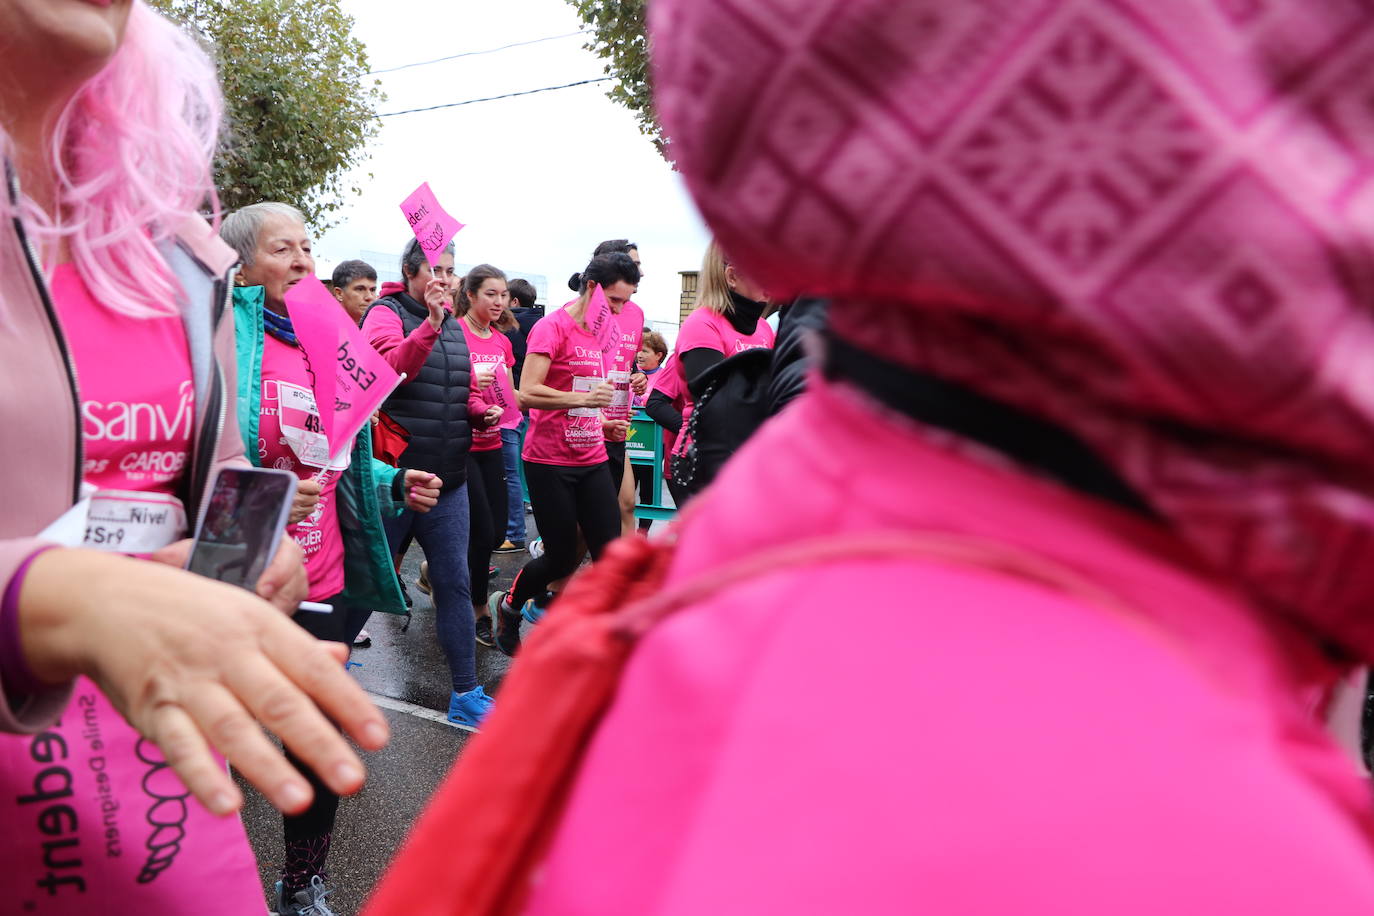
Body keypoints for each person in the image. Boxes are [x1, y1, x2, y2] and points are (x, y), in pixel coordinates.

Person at [369, 1, 1374, 913]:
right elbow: (664, 395)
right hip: (532, 458)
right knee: (518, 558)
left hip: (736, 499)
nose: (632, 295)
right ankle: (482, 613)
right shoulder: (1215, 848)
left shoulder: (742, 565)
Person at [0, 2, 389, 909]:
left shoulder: (175, 251)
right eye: (282, 244)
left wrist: (254, 557)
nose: (300, 255)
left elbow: (197, 506)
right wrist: (54, 597)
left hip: (161, 800)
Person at [221, 203, 442, 915]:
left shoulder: (328, 338)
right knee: (210, 737)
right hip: (236, 575)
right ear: (239, 263)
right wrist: (269, 496)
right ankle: (207, 884)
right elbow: (192, 458)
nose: (303, 261)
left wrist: (391, 480)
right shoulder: (215, 339)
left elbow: (341, 454)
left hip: (323, 576)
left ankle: (301, 882)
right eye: (282, 248)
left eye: (309, 246)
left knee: (314, 735)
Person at [362, 239, 499, 727]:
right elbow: (389, 373)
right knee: (366, 581)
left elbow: (457, 394)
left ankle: (466, 693)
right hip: (397, 480)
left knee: (455, 584)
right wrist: (429, 326)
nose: (445, 279)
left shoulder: (458, 330)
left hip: (449, 480)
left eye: (451, 270)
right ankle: (321, 672)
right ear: (410, 271)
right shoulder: (385, 313)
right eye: (436, 269)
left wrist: (482, 414)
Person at [488, 252, 641, 656]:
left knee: (609, 555)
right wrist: (586, 398)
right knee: (558, 558)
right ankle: (510, 605)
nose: (620, 311)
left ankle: (595, 647)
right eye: (615, 302)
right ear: (592, 288)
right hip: (548, 460)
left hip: (591, 455)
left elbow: (589, 398)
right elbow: (529, 392)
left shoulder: (603, 335)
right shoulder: (551, 327)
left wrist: (603, 422)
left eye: (626, 302)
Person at [655, 241, 774, 499]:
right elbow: (716, 405)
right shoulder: (702, 324)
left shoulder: (763, 328)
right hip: (707, 461)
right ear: (732, 276)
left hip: (750, 459)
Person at [455, 264, 513, 648]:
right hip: (461, 445)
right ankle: (478, 607)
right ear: (471, 295)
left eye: (503, 295)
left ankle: (437, 569)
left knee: (496, 531)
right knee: (479, 532)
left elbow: (510, 396)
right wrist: (475, 385)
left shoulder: (501, 342)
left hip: (495, 442)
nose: (498, 301)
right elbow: (440, 385)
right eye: (490, 294)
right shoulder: (453, 333)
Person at [496, 278, 541, 552]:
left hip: (507, 405)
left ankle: (513, 533)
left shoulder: (509, 330)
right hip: (530, 407)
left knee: (507, 472)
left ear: (514, 301)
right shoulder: (541, 324)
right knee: (521, 471)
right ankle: (515, 529)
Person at [331, 258, 379, 326]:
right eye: (360, 289)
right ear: (339, 294)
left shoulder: (380, 328)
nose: (369, 297)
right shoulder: (323, 329)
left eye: (372, 290)